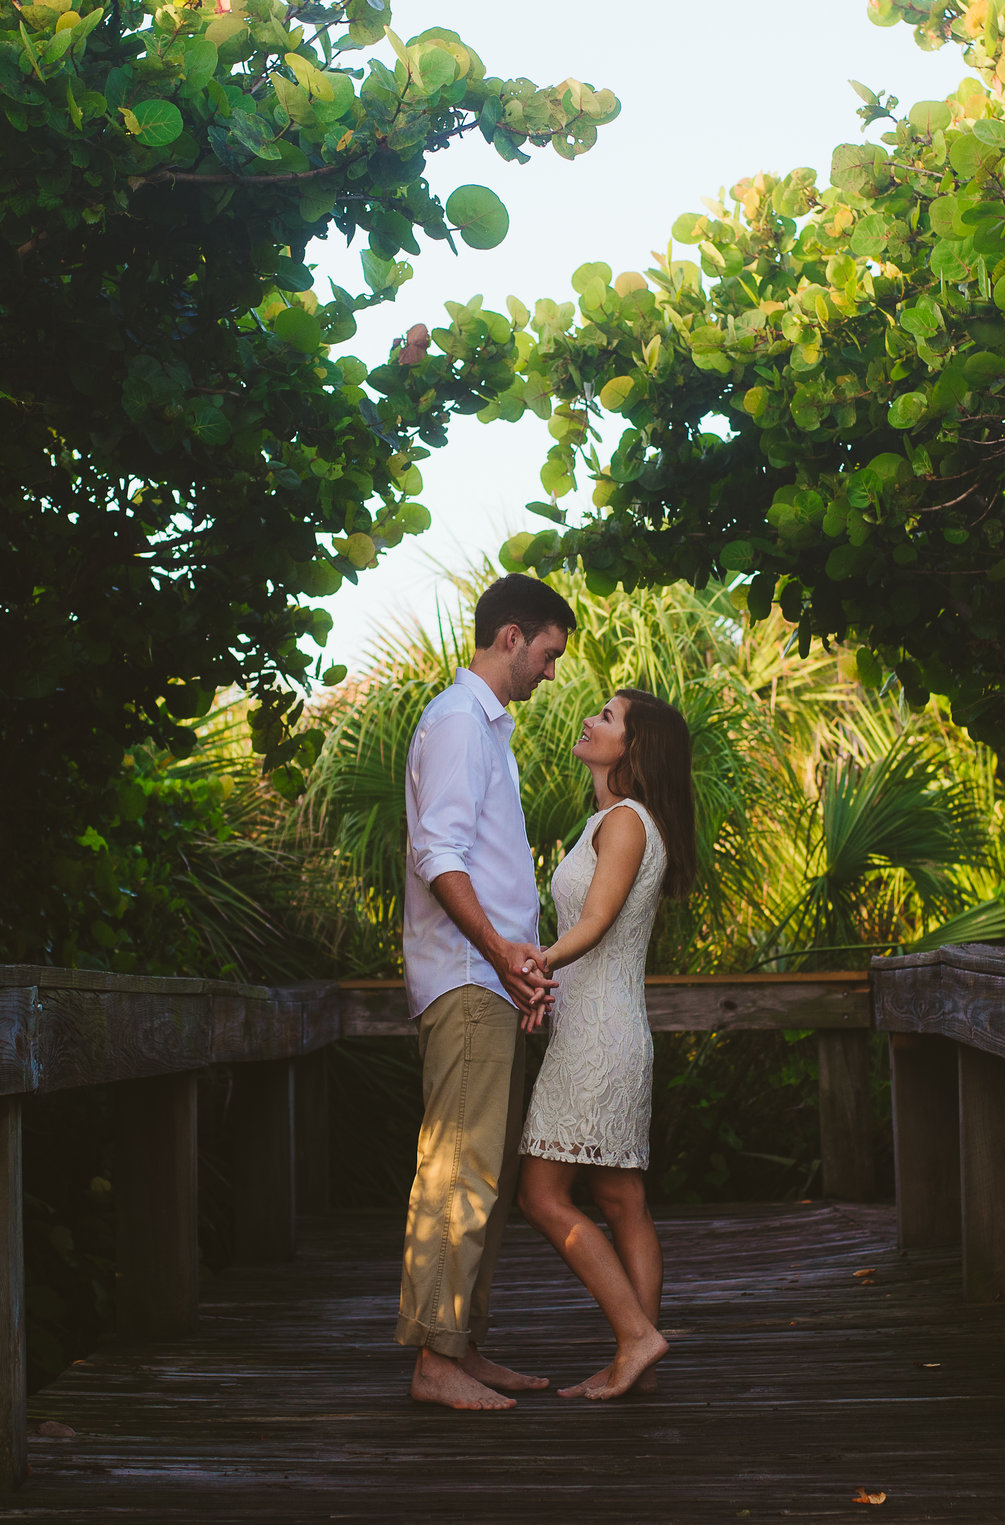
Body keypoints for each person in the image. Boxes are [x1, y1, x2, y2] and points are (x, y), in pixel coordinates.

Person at [396, 573, 576, 1410]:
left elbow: (490, 869)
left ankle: (462, 1346)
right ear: (511, 636)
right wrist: (502, 955)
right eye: (547, 654)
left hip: (493, 983)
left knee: (490, 1175)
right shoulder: (459, 722)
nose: (550, 671)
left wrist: (522, 965)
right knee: (459, 1171)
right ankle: (434, 1361)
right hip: (468, 983)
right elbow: (440, 858)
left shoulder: (487, 733)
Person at [516, 686, 698, 1401]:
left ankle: (635, 1335)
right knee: (623, 1199)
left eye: (607, 716)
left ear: (634, 746)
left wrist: (535, 966)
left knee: (541, 1193)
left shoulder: (624, 821)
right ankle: (638, 1354)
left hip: (597, 1037)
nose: (591, 720)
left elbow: (593, 922)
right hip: (605, 1026)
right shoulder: (620, 820)